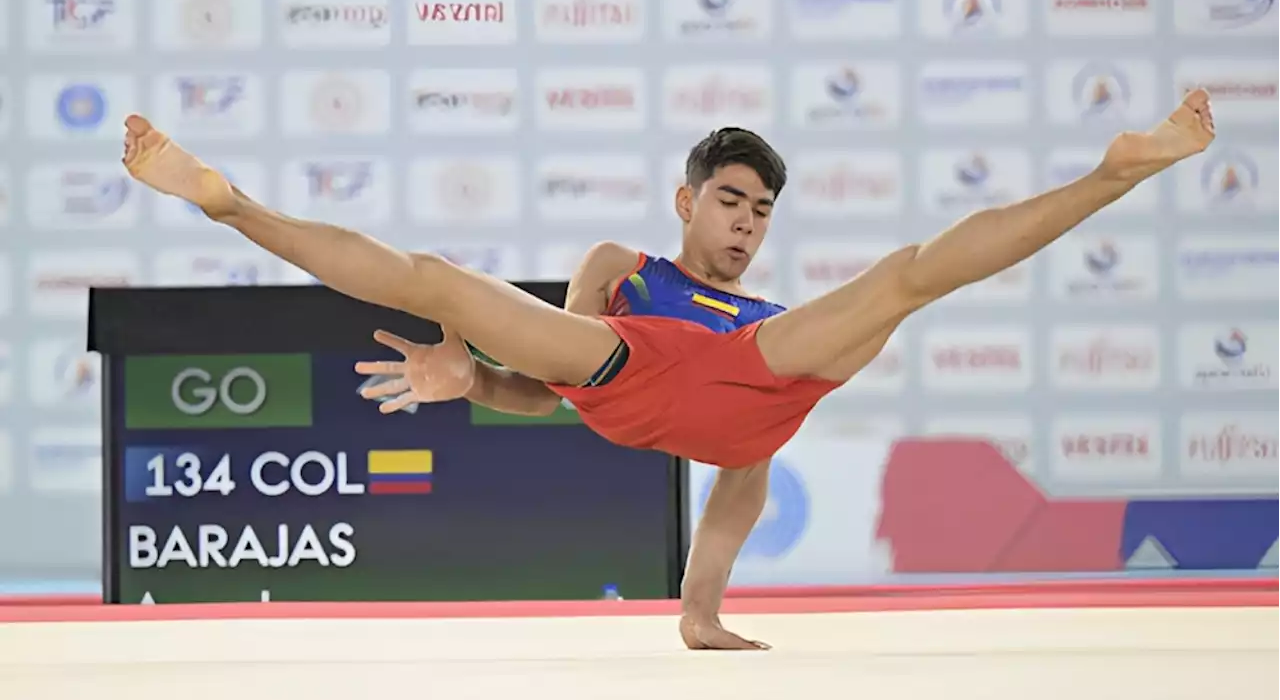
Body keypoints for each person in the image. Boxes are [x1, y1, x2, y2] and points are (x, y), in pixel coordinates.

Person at [120, 89, 1215, 650]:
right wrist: (470, 385)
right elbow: (552, 390)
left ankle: (1109, 175)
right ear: (686, 201)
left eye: (763, 211)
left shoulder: (773, 323)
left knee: (903, 279)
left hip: (746, 391)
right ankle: (231, 203)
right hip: (629, 374)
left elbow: (743, 469)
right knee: (439, 279)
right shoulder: (621, 268)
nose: (746, 225)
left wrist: (700, 607)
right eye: (730, 201)